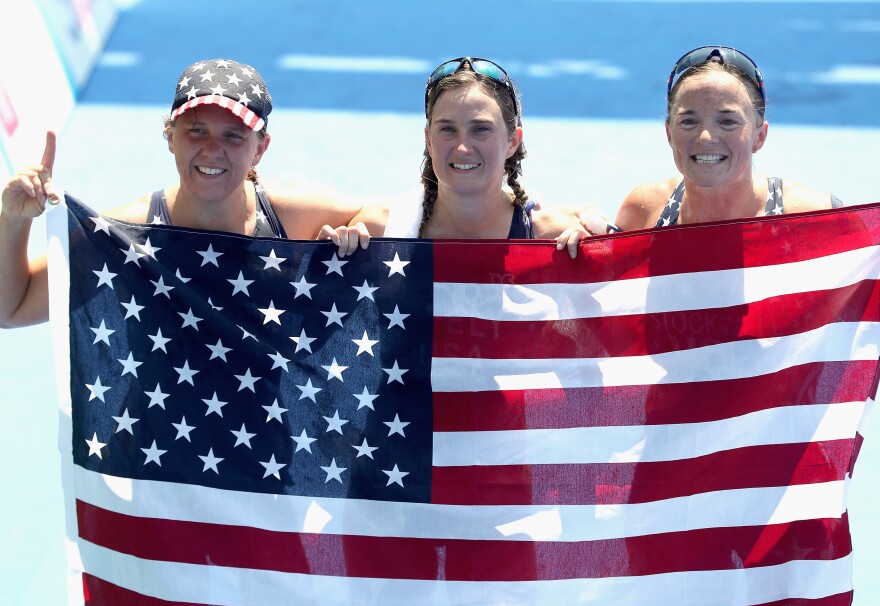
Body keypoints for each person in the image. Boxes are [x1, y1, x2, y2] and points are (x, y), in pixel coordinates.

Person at [0, 58, 372, 328]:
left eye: (233, 136)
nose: (212, 150)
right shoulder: (126, 234)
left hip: (268, 436)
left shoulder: (291, 214)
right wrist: (13, 220)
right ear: (170, 136)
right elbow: (12, 308)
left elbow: (391, 217)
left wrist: (355, 234)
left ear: (260, 148)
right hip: (155, 437)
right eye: (197, 131)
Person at [321, 56, 597, 257]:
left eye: (480, 129)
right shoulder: (379, 234)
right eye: (448, 130)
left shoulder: (553, 240)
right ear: (428, 140)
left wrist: (597, 255)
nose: (463, 148)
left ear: (513, 141)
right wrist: (327, 259)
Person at [605, 46, 841, 233]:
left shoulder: (813, 217)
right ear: (669, 134)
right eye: (688, 121)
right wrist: (573, 232)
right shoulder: (645, 212)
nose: (706, 137)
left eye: (727, 122)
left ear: (760, 137)